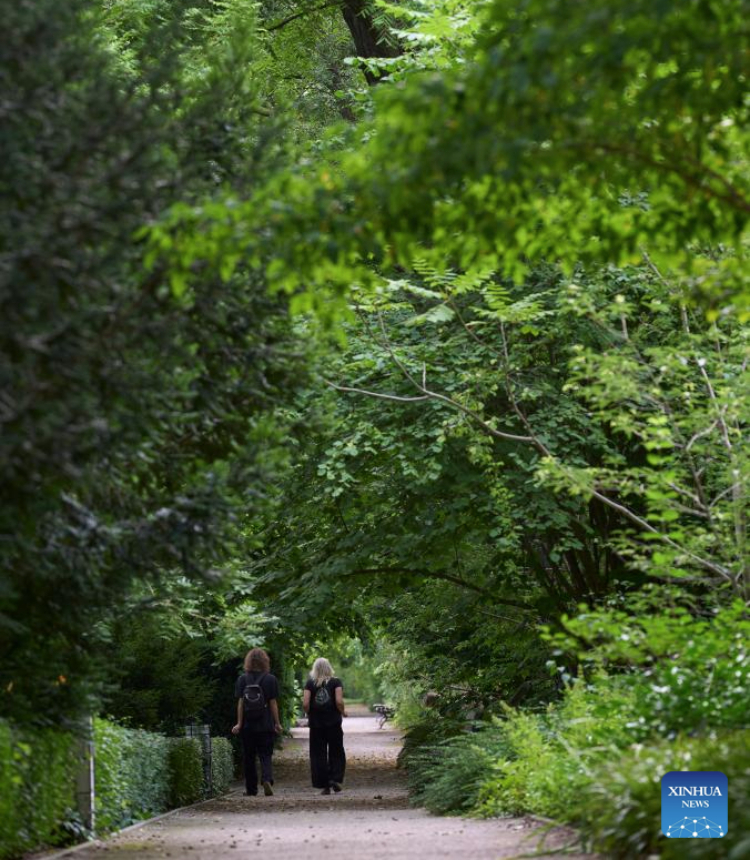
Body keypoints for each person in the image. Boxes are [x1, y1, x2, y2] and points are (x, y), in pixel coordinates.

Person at [232, 647, 282, 796]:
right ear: (265, 661)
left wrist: (239, 723)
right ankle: (266, 778)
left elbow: (241, 703)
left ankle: (251, 789)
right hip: (265, 723)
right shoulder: (270, 679)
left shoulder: (242, 679)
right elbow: (273, 703)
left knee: (249, 757)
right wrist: (277, 723)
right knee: (266, 754)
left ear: (248, 661)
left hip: (248, 725)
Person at [303, 657, 347, 795]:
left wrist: (309, 713)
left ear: (315, 669)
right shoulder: (336, 682)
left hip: (316, 724)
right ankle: (335, 778)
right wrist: (343, 711)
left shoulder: (310, 683)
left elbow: (305, 704)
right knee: (337, 751)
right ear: (329, 668)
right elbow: (339, 701)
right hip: (333, 722)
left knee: (318, 754)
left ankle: (324, 784)